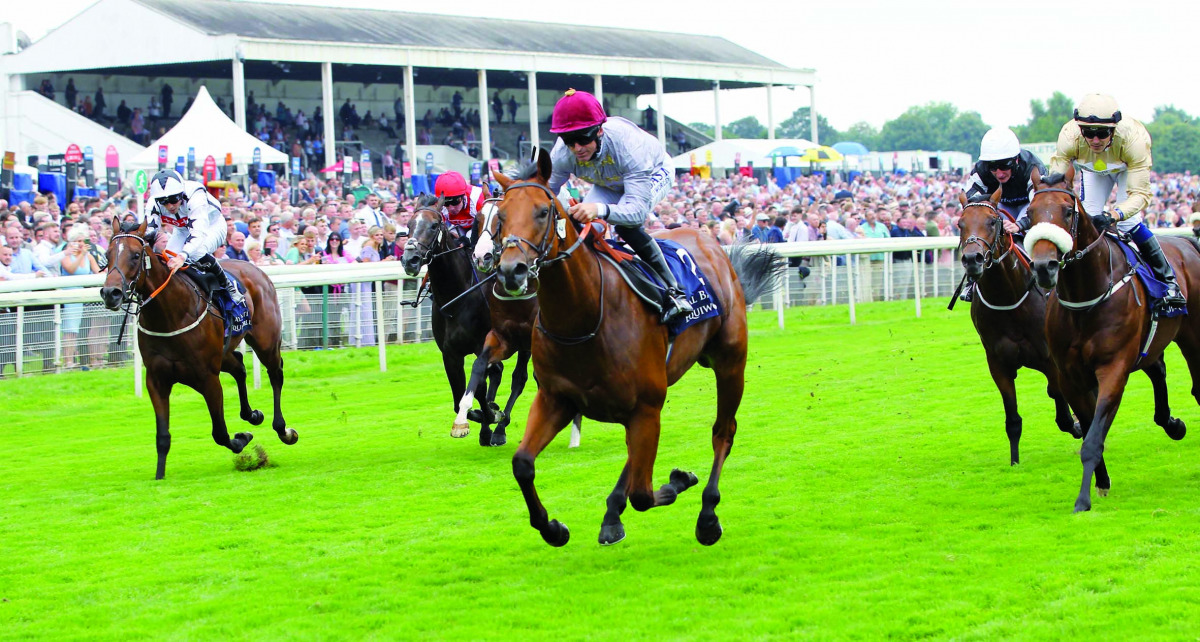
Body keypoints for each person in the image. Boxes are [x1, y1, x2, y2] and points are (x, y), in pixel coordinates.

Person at [544, 88, 692, 322]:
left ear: (599, 131)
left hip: (652, 172)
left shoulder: (628, 146)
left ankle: (675, 292)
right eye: (569, 141)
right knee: (582, 230)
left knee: (625, 226)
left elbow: (635, 213)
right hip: (608, 184)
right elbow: (544, 192)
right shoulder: (562, 153)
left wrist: (599, 210)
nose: (577, 148)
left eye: (583, 139)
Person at [1048, 94, 1185, 307]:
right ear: (1079, 129)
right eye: (1088, 133)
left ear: (1114, 129)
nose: (1094, 140)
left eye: (1102, 133)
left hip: (1125, 168)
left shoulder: (1135, 140)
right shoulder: (1068, 135)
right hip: (1092, 169)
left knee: (1128, 222)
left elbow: (1140, 195)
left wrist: (1113, 215)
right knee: (1088, 220)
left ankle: (1168, 280)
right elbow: (1055, 185)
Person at [144, 169, 244, 306]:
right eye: (163, 202)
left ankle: (228, 285)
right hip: (181, 231)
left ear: (181, 193)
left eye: (173, 199)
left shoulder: (195, 195)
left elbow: (198, 233)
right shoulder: (153, 203)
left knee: (196, 252)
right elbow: (149, 233)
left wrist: (182, 256)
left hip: (211, 226)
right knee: (167, 259)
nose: (170, 206)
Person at [434, 171, 488, 248]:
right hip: (458, 227)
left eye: (455, 201)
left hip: (479, 225)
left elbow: (488, 227)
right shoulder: (439, 207)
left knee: (470, 235)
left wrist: (471, 240)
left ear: (464, 196)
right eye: (446, 203)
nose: (451, 208)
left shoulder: (478, 199)